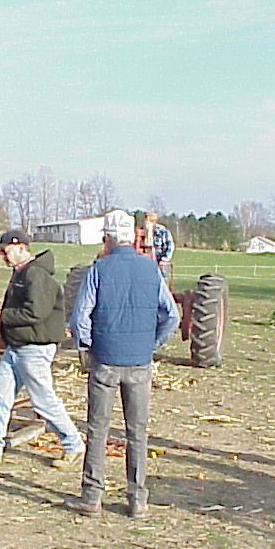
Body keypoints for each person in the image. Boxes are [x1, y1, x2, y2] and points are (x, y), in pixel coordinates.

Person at [66, 210, 179, 517]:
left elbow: (79, 317)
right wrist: (151, 344)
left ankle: (91, 496)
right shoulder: (150, 270)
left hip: (105, 360)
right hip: (140, 363)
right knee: (137, 432)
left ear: (107, 238)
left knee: (98, 429)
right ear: (133, 237)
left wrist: (88, 346)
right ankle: (138, 498)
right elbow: (172, 315)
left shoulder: (98, 269)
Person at [0, 229, 84, 468]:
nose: (2, 255)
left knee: (43, 401)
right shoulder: (22, 273)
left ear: (21, 248)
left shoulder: (35, 275)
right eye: (0, 251)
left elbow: (36, 312)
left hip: (34, 347)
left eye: (5, 250)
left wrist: (2, 316)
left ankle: (73, 443)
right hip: (17, 346)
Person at [148, 212, 174, 281]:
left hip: (160, 263)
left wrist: (164, 260)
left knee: (162, 281)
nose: (148, 225)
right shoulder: (141, 232)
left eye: (150, 222)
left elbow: (170, 246)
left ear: (155, 222)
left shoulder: (163, 231)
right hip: (147, 263)